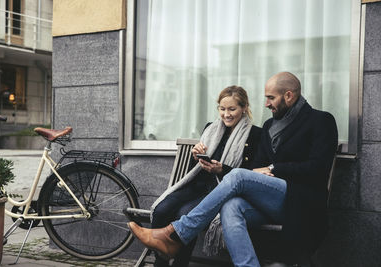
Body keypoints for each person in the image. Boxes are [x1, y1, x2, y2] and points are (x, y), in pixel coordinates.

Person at [128, 72, 338, 267]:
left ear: (289, 96)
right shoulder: (269, 126)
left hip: (300, 199)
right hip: (269, 201)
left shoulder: (321, 121)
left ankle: (175, 234)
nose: (266, 103)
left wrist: (274, 168)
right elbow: (257, 168)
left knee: (237, 176)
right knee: (231, 206)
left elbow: (318, 168)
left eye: (271, 98)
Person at [148, 85, 261, 267]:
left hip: (220, 191)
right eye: (222, 109)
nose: (226, 114)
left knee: (184, 214)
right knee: (161, 209)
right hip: (197, 185)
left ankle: (179, 263)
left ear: (244, 108)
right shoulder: (211, 128)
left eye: (232, 109)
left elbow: (250, 175)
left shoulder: (255, 134)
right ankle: (161, 258)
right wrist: (196, 155)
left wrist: (221, 169)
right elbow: (195, 169)